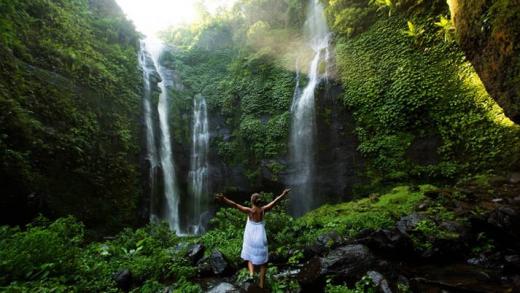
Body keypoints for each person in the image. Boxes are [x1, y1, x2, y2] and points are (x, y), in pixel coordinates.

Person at [215, 188, 291, 288]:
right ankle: (261, 284)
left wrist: (224, 199)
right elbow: (275, 201)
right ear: (259, 202)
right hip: (261, 237)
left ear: (252, 202)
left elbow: (235, 205)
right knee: (264, 262)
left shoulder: (249, 211)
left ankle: (251, 275)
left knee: (249, 256)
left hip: (250, 237)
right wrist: (283, 194)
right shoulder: (264, 210)